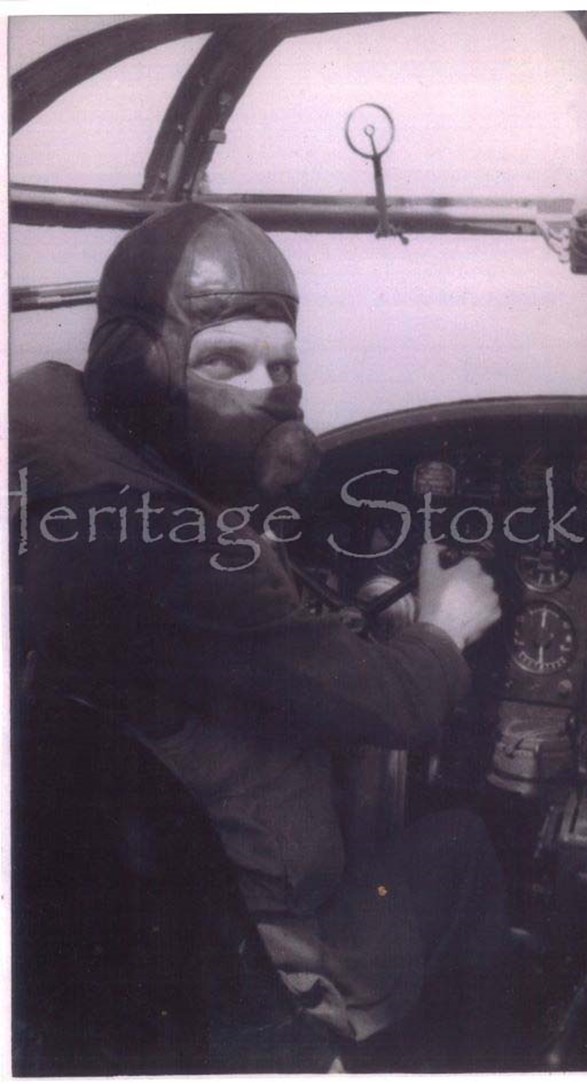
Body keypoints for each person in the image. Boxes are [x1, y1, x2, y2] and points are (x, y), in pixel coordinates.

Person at [11, 203, 508, 1071]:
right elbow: (398, 705)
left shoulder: (75, 489)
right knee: (461, 843)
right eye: (227, 360)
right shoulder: (173, 557)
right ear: (140, 375)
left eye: (284, 362)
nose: (275, 390)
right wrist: (445, 625)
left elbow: (246, 634)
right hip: (262, 964)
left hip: (154, 939)